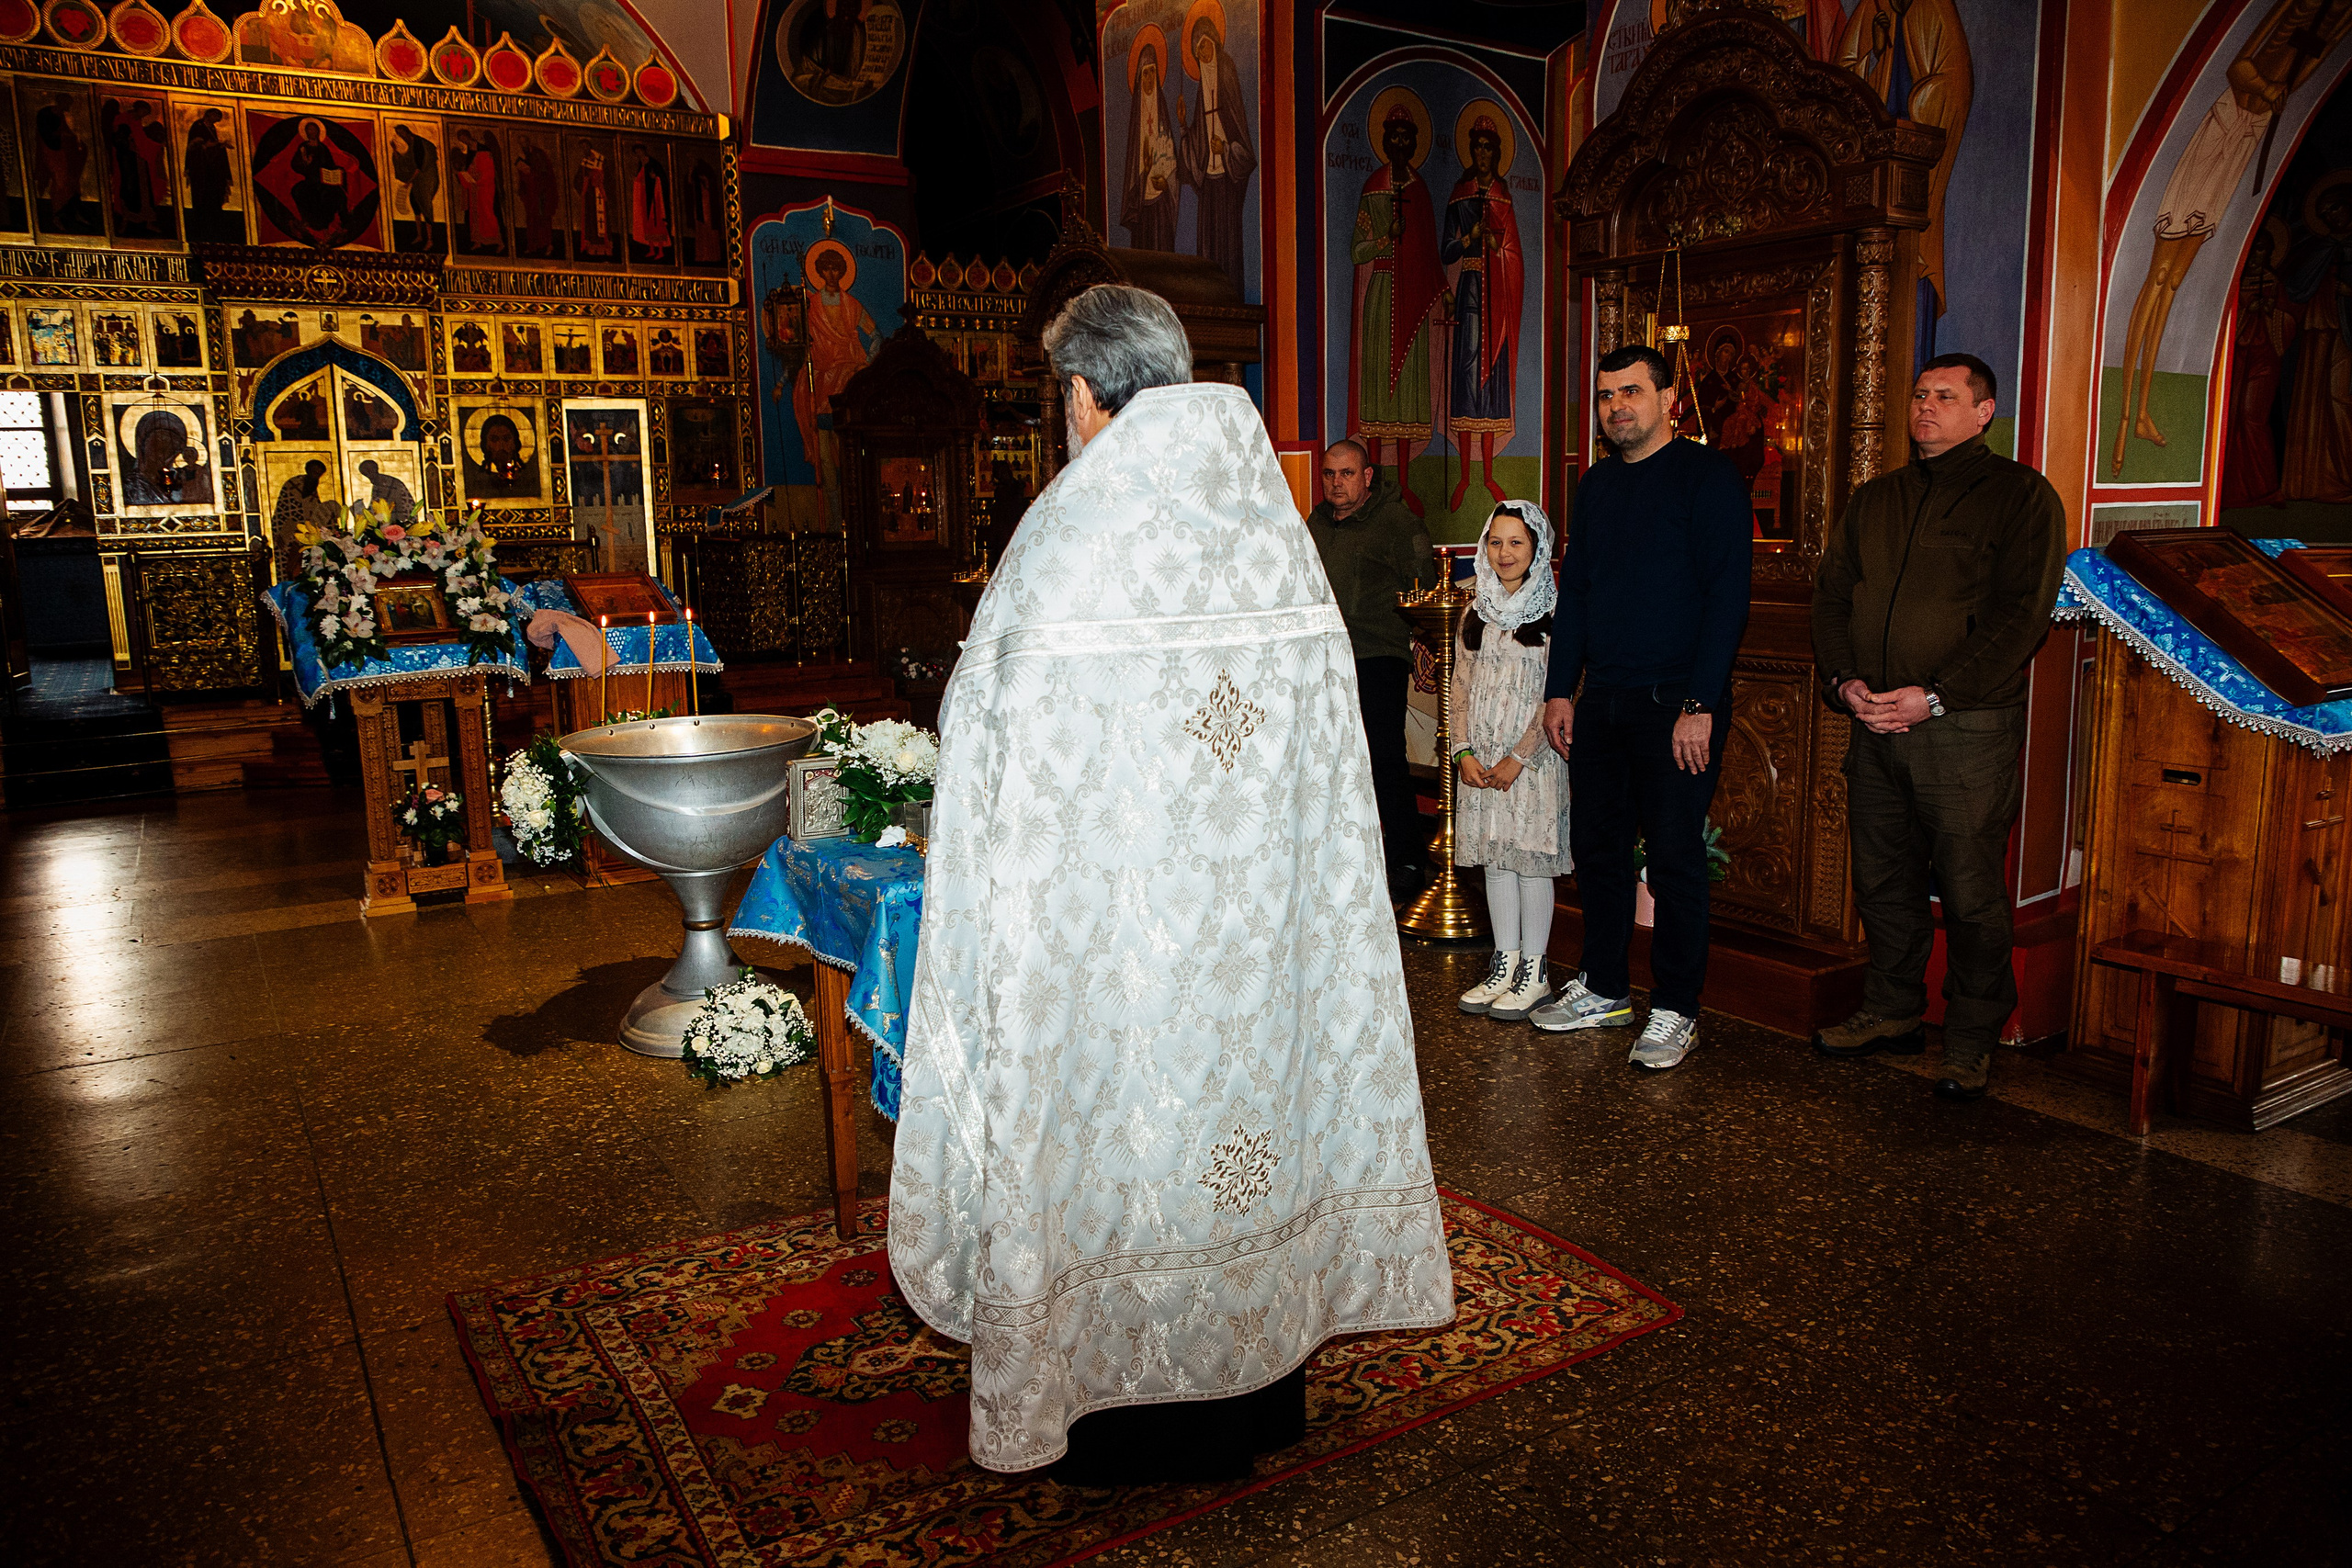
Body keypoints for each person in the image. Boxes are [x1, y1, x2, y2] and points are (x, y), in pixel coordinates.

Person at [888, 283, 1453, 1482]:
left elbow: (991, 732)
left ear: (1088, 395)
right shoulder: (1264, 524)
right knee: (1242, 1133)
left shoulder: (1069, 533)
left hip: (1116, 950)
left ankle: (1119, 1403)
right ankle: (1255, 1386)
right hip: (1250, 946)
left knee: (1131, 1138)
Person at [1809, 353, 2065, 1101]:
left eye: (1945, 396)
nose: (1926, 407)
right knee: (1883, 879)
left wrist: (1938, 694)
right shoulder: (1876, 499)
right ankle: (1892, 1010)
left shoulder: (2020, 497)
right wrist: (1844, 681)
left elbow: (2022, 619)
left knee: (1969, 885)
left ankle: (1972, 1036)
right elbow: (1832, 598)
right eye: (1919, 394)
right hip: (1874, 721)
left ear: (1984, 412)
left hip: (1963, 729)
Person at [1531, 344, 1751, 1071]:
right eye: (1604, 396)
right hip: (1605, 700)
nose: (1616, 406)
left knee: (1675, 858)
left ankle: (1677, 1007)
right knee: (1596, 851)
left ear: (1667, 399)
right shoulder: (1595, 486)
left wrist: (1701, 702)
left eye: (1630, 392)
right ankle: (1602, 986)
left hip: (1676, 704)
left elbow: (1727, 597)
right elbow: (1579, 595)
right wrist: (1561, 689)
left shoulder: (1708, 477)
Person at [1451, 501, 1571, 1024]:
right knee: (1496, 862)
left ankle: (1536, 972)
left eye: (1516, 542)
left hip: (1532, 762)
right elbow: (1459, 687)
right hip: (1482, 760)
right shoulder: (1473, 611)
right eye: (1496, 542)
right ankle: (1505, 962)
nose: (1504, 553)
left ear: (1536, 549)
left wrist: (1520, 757)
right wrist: (1463, 751)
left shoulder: (1553, 614)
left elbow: (1559, 694)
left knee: (1529, 861)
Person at [1304, 437, 1433, 902]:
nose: (1336, 483)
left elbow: (1426, 586)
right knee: (1328, 760)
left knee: (1382, 757)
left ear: (1367, 477)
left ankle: (1407, 859)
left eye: (1346, 474)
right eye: (1329, 475)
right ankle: (1344, 858)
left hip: (1379, 654)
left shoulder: (1397, 522)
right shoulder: (1314, 523)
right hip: (1323, 661)